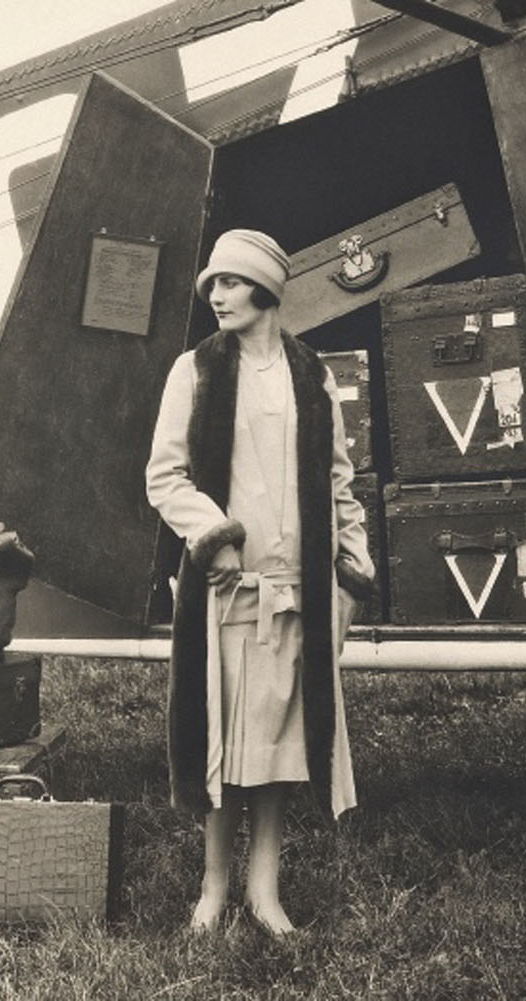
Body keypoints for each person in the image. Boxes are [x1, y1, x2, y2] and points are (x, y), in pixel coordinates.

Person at [145, 228, 376, 936]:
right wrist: (212, 537)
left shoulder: (313, 375)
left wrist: (350, 571)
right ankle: (214, 887)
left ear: (266, 289)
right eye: (212, 284)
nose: (216, 295)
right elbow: (165, 476)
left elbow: (338, 482)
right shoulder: (196, 370)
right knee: (224, 741)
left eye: (231, 282)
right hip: (228, 593)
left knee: (279, 743)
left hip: (298, 590)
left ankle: (264, 889)